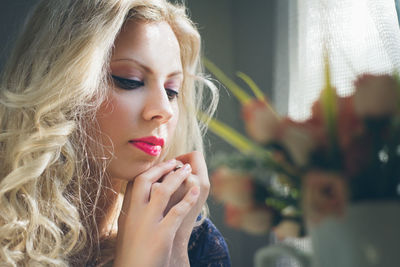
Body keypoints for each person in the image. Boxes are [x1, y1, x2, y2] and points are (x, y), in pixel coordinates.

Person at [0, 0, 231, 266]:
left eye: (172, 90)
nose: (163, 110)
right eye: (129, 80)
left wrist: (176, 249)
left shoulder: (196, 243)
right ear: (61, 87)